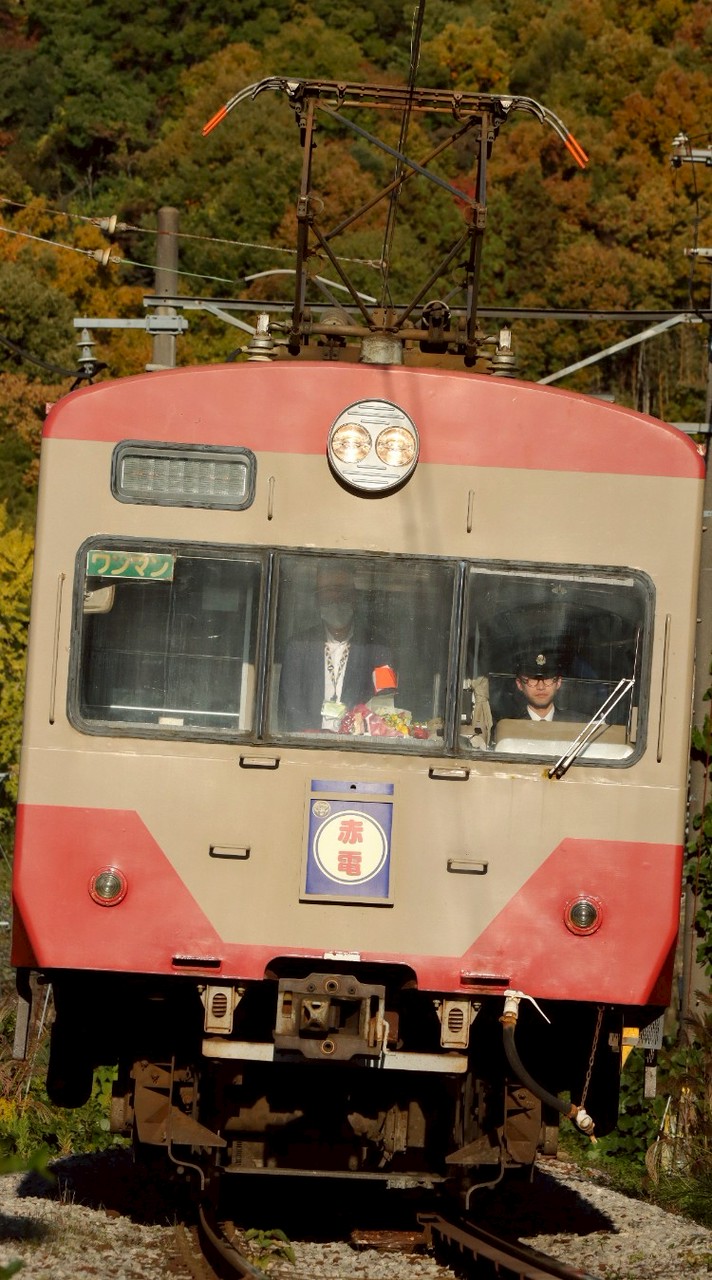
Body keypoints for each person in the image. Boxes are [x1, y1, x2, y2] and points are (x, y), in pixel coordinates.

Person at [277, 563, 393, 732]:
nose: (336, 601)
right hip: (307, 745)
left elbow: (386, 699)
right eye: (329, 596)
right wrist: (312, 736)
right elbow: (290, 704)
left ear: (354, 598)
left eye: (343, 594)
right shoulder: (298, 646)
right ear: (318, 601)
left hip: (357, 746)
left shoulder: (378, 648)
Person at [514, 649, 571, 721]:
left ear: (558, 682)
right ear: (519, 684)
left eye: (547, 678)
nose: (541, 687)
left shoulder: (579, 726)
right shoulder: (507, 726)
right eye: (533, 679)